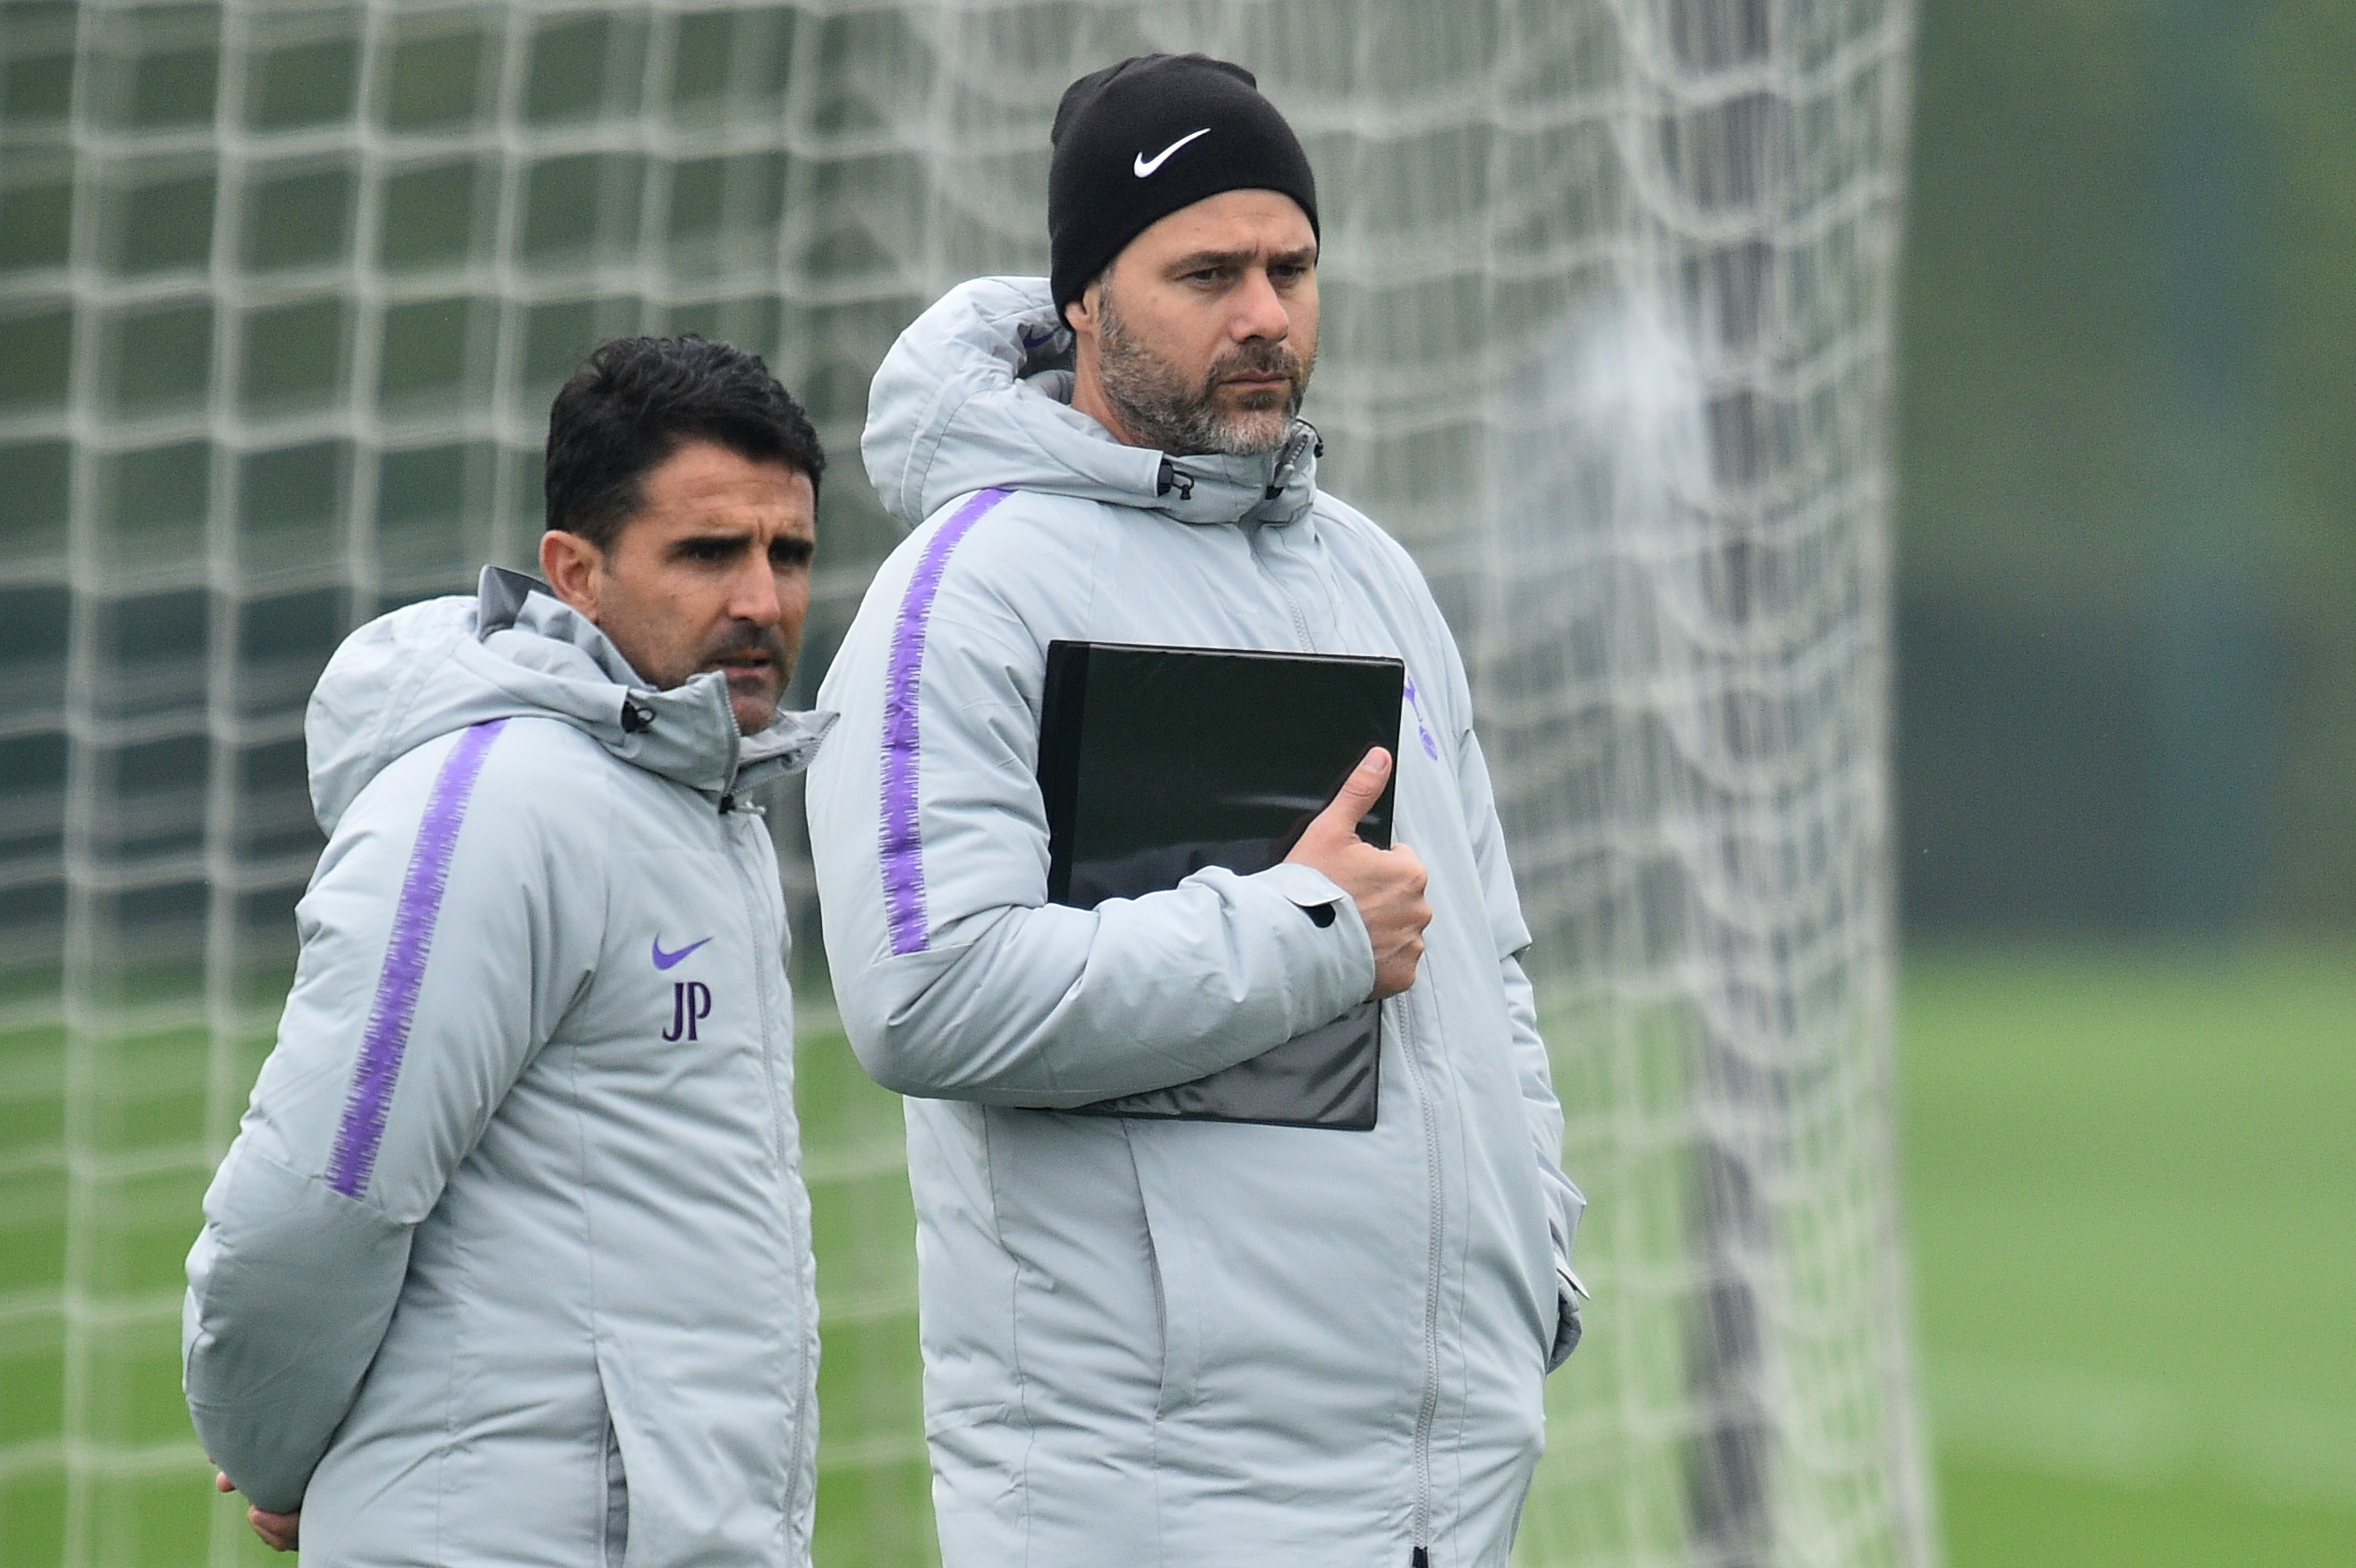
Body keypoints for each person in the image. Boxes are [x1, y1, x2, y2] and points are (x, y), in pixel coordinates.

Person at [804, 53, 1586, 1568]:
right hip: (1153, 1500)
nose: (1264, 316)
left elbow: (1482, 960)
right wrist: (1303, 934)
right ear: (1084, 298)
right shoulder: (969, 592)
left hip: (1441, 1485)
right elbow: (923, 998)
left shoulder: (1368, 573)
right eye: (1206, 273)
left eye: (1290, 268)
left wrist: (1529, 1252)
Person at [183, 335, 834, 1565]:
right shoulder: (499, 806)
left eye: (786, 552)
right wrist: (274, 1450)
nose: (761, 599)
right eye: (706, 553)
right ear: (573, 573)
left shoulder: (700, 806)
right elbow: (312, 1204)